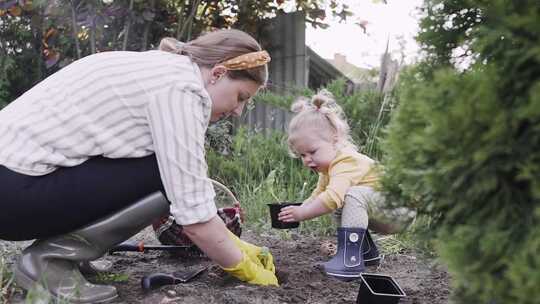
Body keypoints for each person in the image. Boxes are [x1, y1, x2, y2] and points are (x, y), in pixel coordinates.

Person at [0, 29, 278, 303]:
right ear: (217, 74)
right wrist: (244, 267)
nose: (239, 110)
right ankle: (48, 264)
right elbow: (195, 216)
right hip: (11, 193)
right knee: (164, 174)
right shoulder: (182, 89)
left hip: (14, 186)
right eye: (241, 97)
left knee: (162, 167)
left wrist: (241, 247)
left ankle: (70, 260)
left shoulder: (161, 70)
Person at [278, 90, 415, 279]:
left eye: (312, 151)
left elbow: (331, 199)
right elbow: (319, 194)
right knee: (345, 197)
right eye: (302, 155)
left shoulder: (346, 162)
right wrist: (300, 209)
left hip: (399, 211)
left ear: (334, 139)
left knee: (351, 195)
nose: (307, 160)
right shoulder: (329, 168)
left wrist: (302, 214)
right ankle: (365, 253)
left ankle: (350, 262)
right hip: (385, 210)